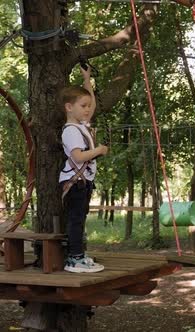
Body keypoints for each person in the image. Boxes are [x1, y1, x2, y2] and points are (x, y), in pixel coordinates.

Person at [58, 66, 108, 273]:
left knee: (80, 219)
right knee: (76, 220)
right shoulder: (71, 131)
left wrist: (87, 79)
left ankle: (78, 255)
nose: (88, 109)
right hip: (75, 182)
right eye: (83, 106)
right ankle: (74, 258)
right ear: (69, 107)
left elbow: (92, 102)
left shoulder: (81, 125)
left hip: (82, 182)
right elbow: (78, 156)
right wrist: (99, 150)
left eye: (88, 106)